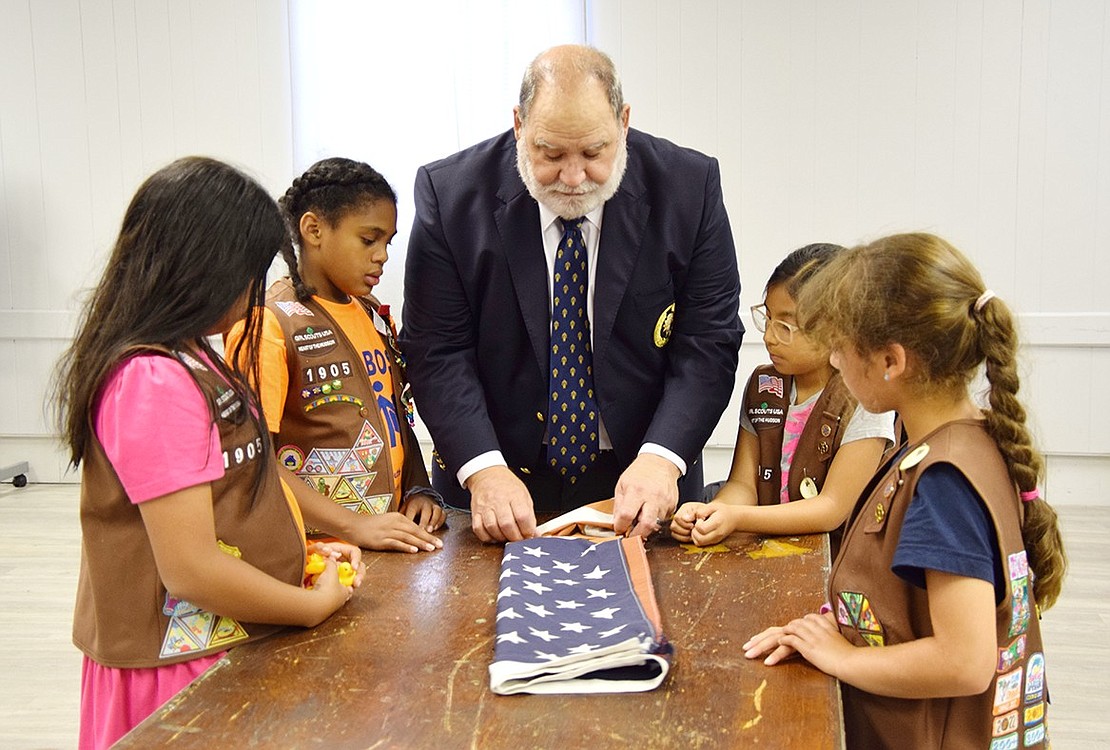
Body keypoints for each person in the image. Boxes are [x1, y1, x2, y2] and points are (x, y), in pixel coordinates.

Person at [53, 157, 365, 748]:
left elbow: (231, 498)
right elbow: (191, 567)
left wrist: (303, 551)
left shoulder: (192, 354)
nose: (255, 297)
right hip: (173, 669)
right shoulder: (153, 379)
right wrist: (308, 607)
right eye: (251, 274)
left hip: (217, 643)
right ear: (207, 269)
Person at [400, 44, 743, 543]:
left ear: (624, 123)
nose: (574, 177)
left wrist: (661, 458)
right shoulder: (451, 195)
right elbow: (437, 351)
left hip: (642, 474)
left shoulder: (688, 187)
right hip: (497, 478)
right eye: (551, 154)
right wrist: (483, 469)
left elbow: (708, 342)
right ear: (519, 126)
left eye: (594, 152)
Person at [742, 233, 1067, 748]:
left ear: (890, 362)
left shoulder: (943, 482)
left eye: (841, 348)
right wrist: (830, 632)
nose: (837, 364)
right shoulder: (956, 440)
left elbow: (964, 663)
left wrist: (845, 658)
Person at [226, 157, 445, 553]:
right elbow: (253, 464)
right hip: (310, 553)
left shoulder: (372, 315)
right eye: (368, 239)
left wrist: (419, 489)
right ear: (313, 229)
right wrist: (354, 526)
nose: (382, 255)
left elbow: (394, 413)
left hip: (385, 543)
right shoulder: (270, 324)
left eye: (387, 243)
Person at [670, 244, 895, 548]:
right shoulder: (764, 386)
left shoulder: (866, 400)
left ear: (837, 330)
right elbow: (743, 484)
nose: (768, 337)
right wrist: (714, 513)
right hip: (767, 555)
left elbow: (831, 509)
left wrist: (737, 518)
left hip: (835, 563)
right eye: (768, 318)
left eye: (786, 327)